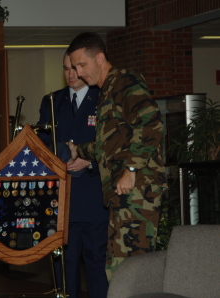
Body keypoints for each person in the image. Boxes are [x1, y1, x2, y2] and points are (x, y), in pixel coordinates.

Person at [66, 32, 168, 280]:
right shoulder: (107, 90)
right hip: (121, 195)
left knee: (133, 270)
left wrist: (131, 171)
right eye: (75, 67)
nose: (78, 73)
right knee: (117, 269)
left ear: (100, 58)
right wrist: (80, 151)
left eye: (82, 65)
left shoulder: (125, 82)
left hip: (137, 193)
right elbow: (109, 143)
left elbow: (151, 124)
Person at [37, 50, 109, 297]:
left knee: (97, 264)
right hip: (62, 198)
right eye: (66, 69)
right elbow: (42, 143)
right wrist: (56, 159)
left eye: (75, 68)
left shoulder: (103, 98)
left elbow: (114, 146)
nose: (71, 74)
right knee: (64, 267)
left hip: (93, 197)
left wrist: (88, 162)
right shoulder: (52, 101)